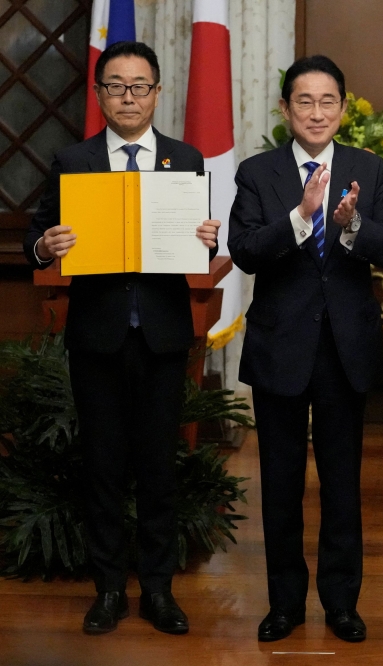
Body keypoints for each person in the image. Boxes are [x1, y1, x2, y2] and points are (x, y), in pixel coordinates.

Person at [23, 41, 221, 635]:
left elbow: (197, 251)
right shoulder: (73, 161)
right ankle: (108, 589)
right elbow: (34, 238)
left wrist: (206, 238)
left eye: (140, 86)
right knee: (103, 469)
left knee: (160, 467)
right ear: (101, 95)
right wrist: (45, 246)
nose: (129, 97)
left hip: (162, 338)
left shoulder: (185, 160)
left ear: (158, 92)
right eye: (116, 86)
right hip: (98, 338)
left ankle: (158, 591)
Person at [229, 55, 383, 644]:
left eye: (327, 101)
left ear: (341, 108)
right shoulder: (259, 173)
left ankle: (341, 602)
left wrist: (351, 226)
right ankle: (284, 605)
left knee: (342, 482)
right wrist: (302, 216)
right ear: (286, 110)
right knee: (280, 483)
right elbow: (248, 249)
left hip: (343, 348)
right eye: (303, 101)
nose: (316, 112)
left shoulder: (367, 167)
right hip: (282, 346)